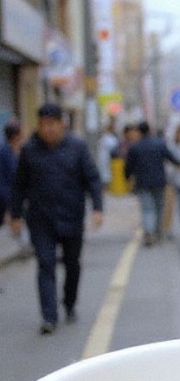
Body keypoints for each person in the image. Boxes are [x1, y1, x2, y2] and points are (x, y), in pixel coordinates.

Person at [9, 103, 103, 333]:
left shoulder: (77, 148)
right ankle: (48, 317)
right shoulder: (29, 150)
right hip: (41, 220)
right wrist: (16, 214)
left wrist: (97, 208)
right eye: (43, 125)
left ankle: (69, 303)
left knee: (72, 265)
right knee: (46, 264)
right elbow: (19, 185)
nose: (48, 129)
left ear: (62, 124)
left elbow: (92, 178)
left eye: (52, 124)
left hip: (71, 217)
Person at [123, 120, 180, 246]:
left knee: (147, 209)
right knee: (159, 208)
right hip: (159, 182)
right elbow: (171, 157)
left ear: (139, 132)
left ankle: (149, 233)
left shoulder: (135, 147)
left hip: (142, 183)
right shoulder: (159, 144)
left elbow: (128, 166)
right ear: (149, 130)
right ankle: (157, 231)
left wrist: (127, 178)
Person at [0, 118, 23, 225]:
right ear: (15, 136)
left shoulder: (16, 150)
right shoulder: (4, 152)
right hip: (5, 202)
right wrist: (9, 206)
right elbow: (4, 181)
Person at [96, 120, 120, 190]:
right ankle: (106, 187)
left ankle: (106, 187)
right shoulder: (108, 138)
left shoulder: (105, 137)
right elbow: (114, 146)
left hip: (105, 158)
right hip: (105, 158)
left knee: (105, 172)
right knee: (106, 173)